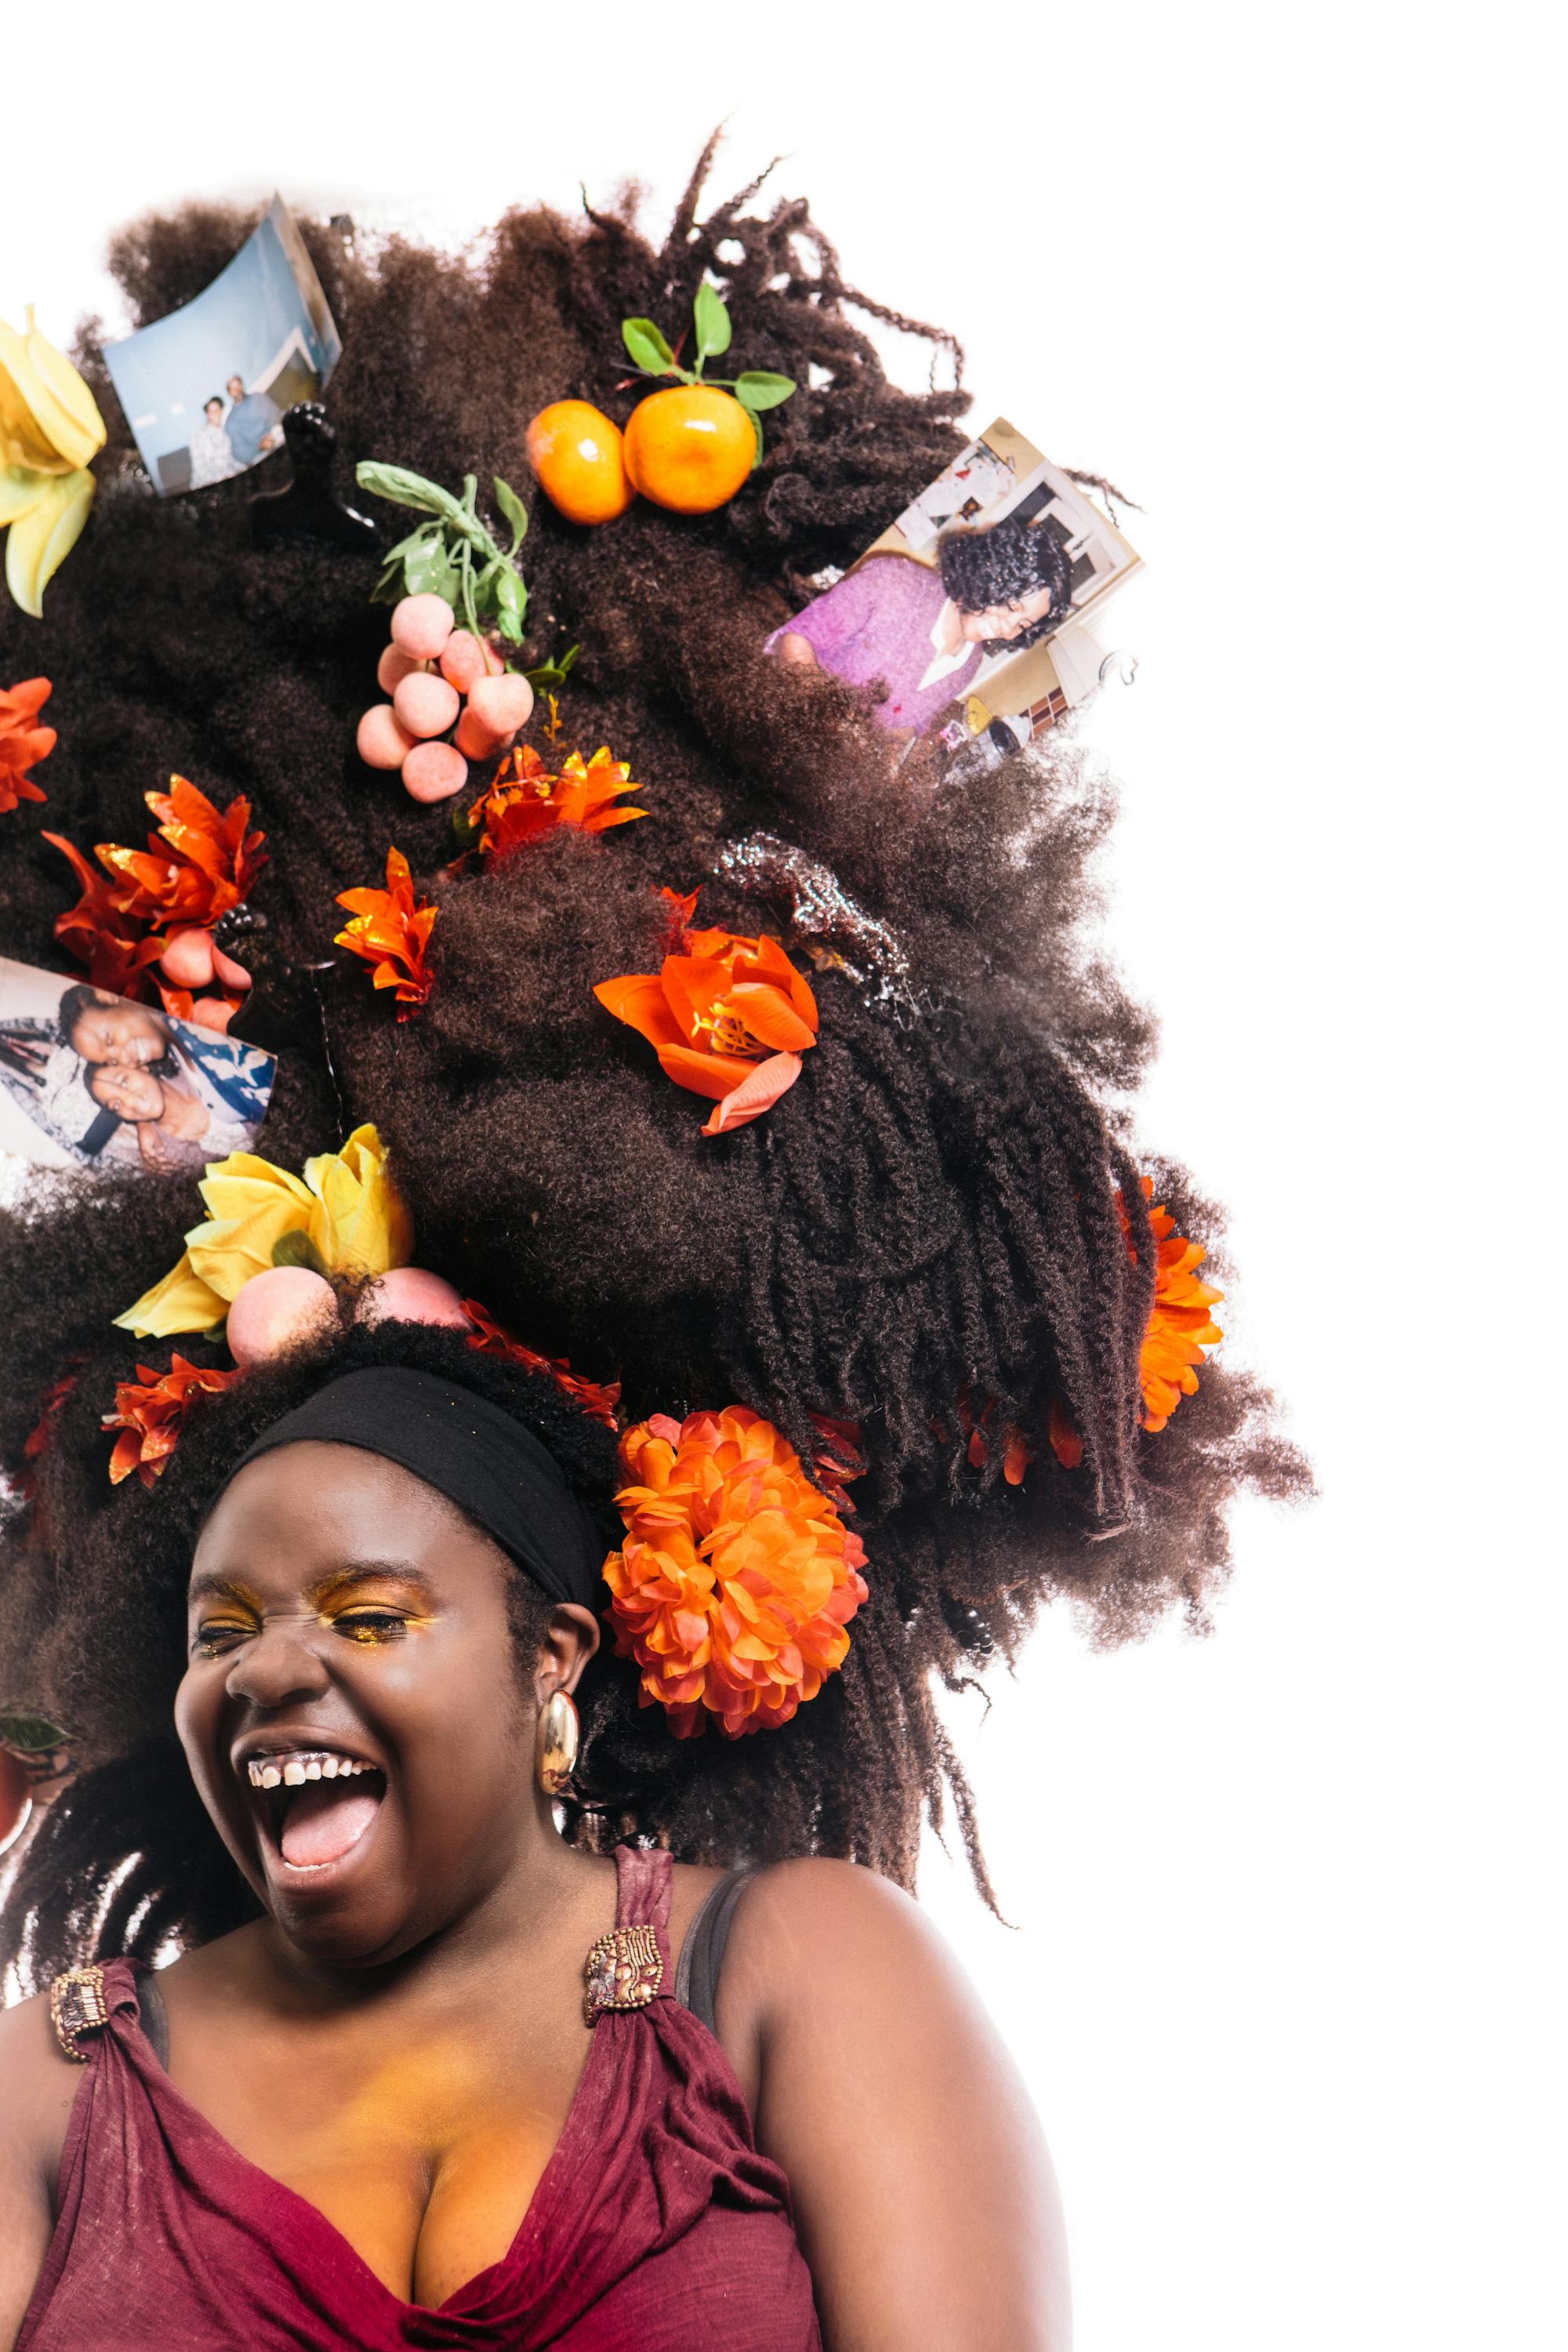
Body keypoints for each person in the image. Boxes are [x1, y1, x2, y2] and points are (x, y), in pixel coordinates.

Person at [0, 151, 1305, 2348]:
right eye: (222, 1626)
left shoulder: (786, 1982)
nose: (262, 1673)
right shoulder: (52, 2084)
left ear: (557, 1665)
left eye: (364, 1606)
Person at [770, 510, 1076, 735]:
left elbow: (907, 727)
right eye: (1012, 606)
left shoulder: (970, 663)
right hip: (776, 716)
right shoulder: (892, 582)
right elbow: (796, 638)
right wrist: (825, 721)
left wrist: (886, 763)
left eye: (1022, 625)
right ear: (993, 572)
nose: (1008, 630)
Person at [57, 985, 274, 1143]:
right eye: (112, 1061)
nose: (124, 1060)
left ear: (106, 995)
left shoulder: (202, 1028)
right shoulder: (178, 1050)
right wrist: (143, 1122)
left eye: (110, 1040)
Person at [223, 372, 283, 466]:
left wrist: (271, 434)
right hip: (260, 454)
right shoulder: (230, 423)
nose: (237, 390)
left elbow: (276, 414)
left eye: (238, 385)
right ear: (229, 393)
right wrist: (259, 446)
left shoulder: (258, 397)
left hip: (277, 435)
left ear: (242, 386)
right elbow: (239, 453)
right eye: (232, 388)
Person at [187, 395, 239, 490]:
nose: (216, 413)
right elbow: (200, 468)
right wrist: (221, 480)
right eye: (212, 411)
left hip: (228, 478)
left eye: (218, 409)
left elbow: (231, 460)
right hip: (206, 485)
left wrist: (244, 468)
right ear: (208, 415)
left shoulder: (226, 433)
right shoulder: (199, 436)